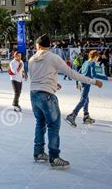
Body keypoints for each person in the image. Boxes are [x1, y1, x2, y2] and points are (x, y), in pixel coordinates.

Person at [29, 34, 103, 169]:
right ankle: (54, 157)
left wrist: (54, 83)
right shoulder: (53, 58)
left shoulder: (31, 59)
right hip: (47, 96)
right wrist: (93, 81)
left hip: (34, 95)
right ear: (49, 46)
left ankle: (39, 153)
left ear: (38, 46)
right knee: (53, 125)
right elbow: (72, 73)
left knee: (40, 123)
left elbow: (35, 77)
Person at [65, 50, 112, 127]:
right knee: (83, 100)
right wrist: (107, 78)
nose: (98, 59)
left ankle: (86, 116)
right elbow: (94, 74)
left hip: (81, 82)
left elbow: (79, 72)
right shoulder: (92, 63)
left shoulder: (85, 62)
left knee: (86, 99)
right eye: (97, 57)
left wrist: (77, 83)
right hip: (86, 83)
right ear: (95, 57)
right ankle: (72, 115)